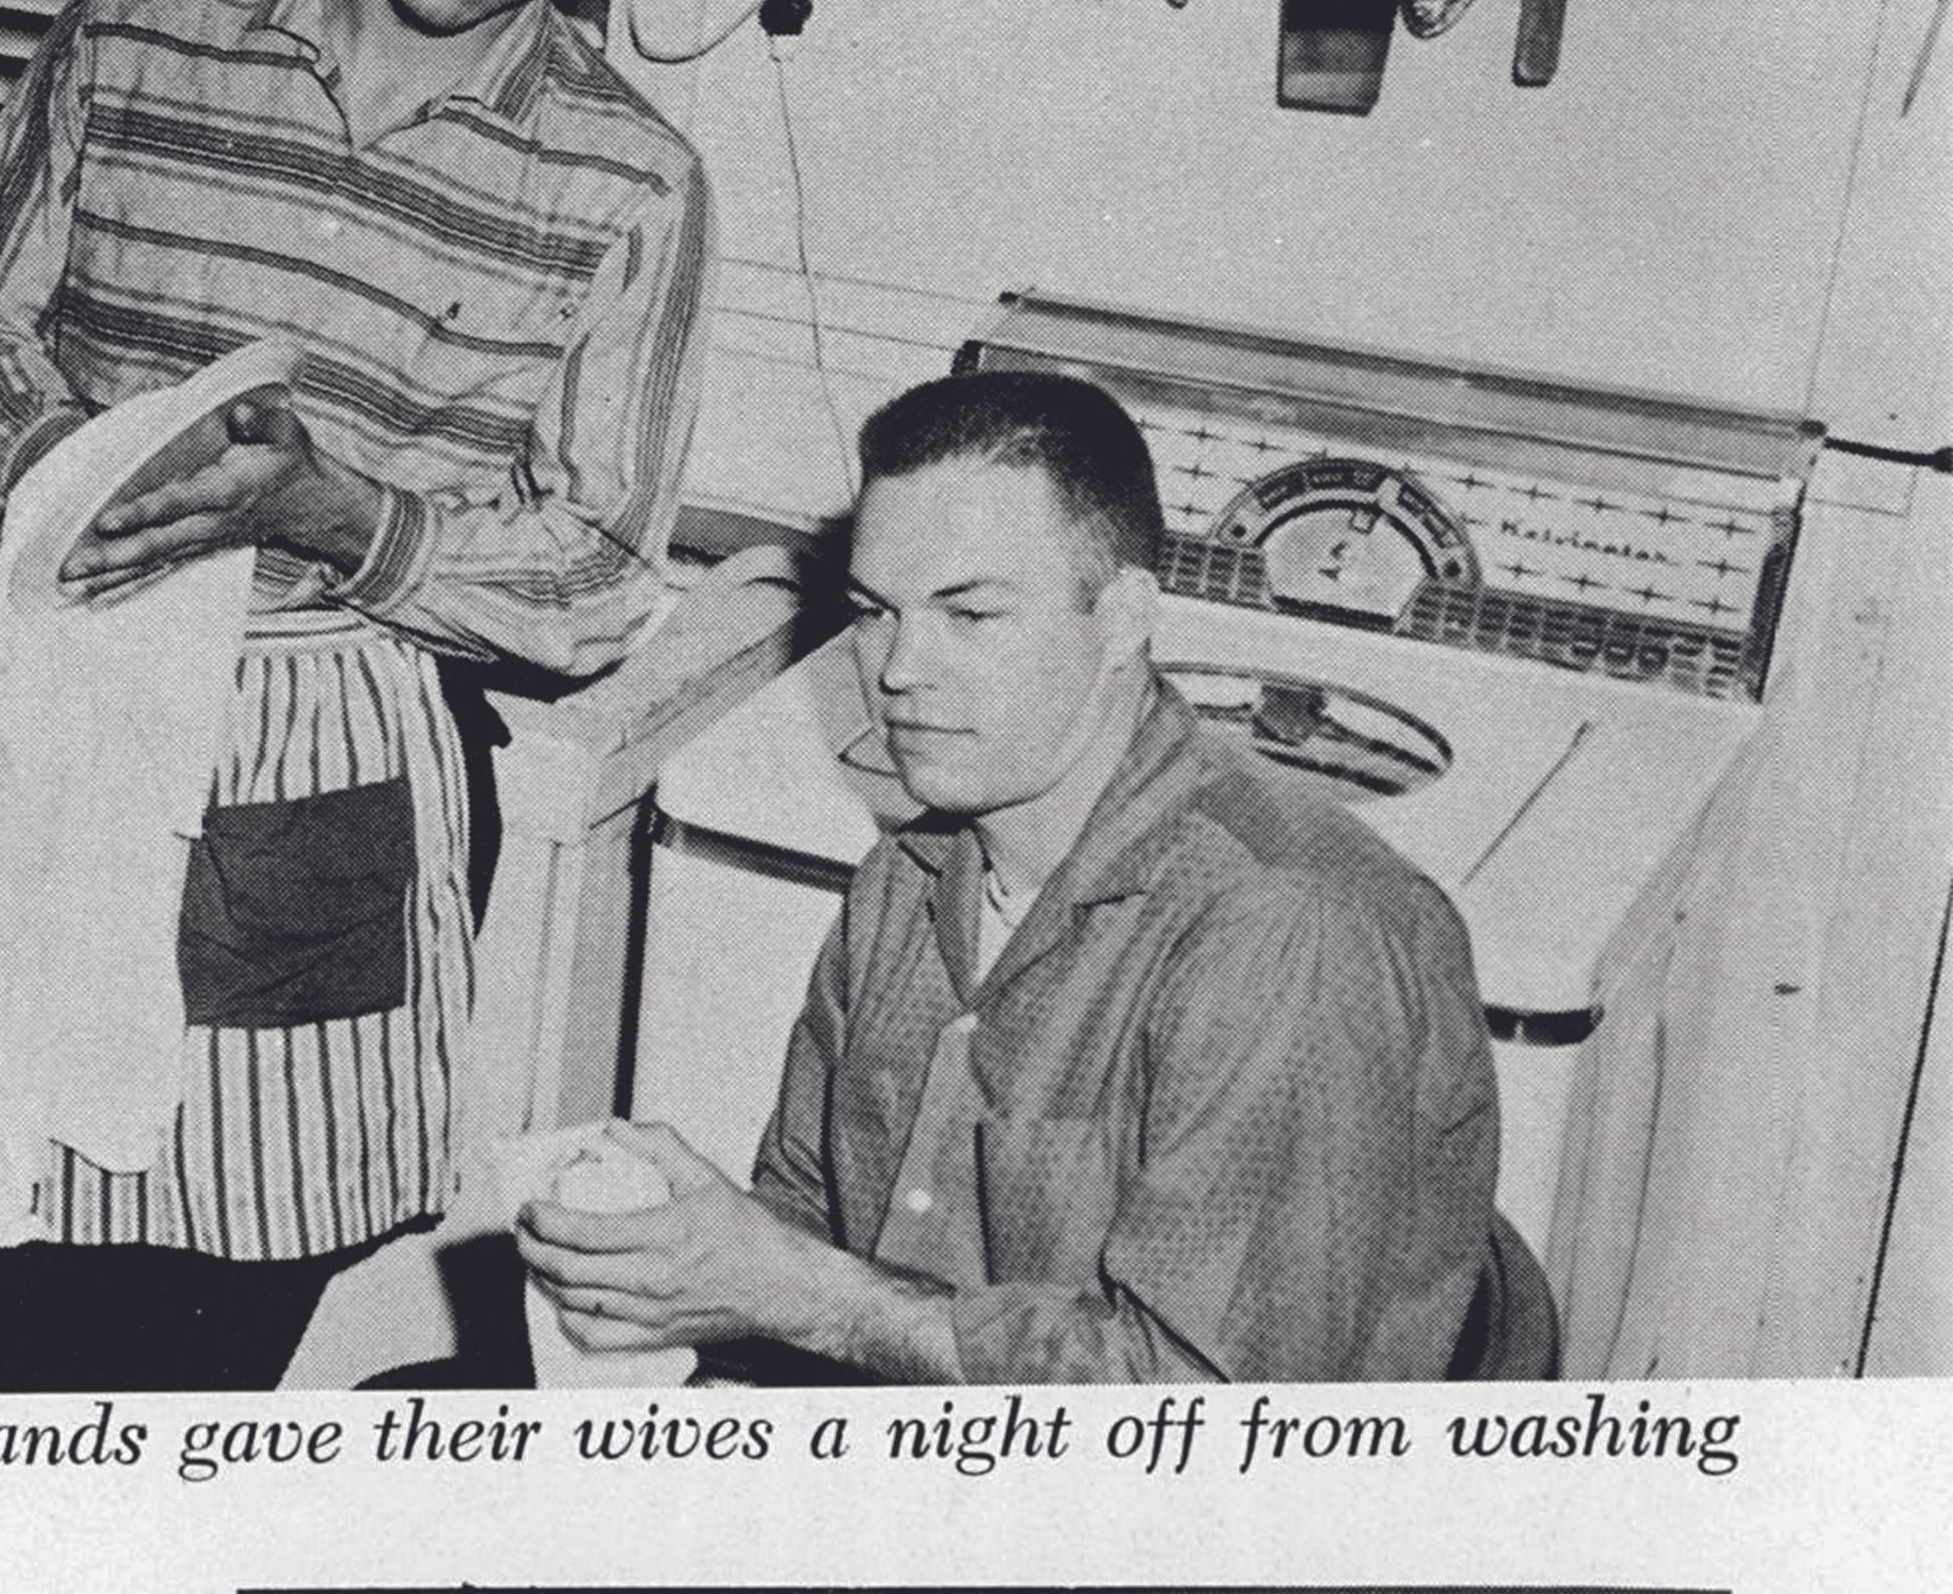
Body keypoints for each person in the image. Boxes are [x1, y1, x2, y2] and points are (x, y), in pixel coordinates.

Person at [0, 0, 718, 1389]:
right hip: (61, 700)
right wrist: (100, 464)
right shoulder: (138, 23)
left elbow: (599, 562)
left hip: (330, 760)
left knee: (180, 1389)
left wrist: (331, 510)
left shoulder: (628, 178)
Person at [515, 371, 1504, 1383]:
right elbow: (808, 1211)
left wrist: (799, 1294)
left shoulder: (1286, 931)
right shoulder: (910, 875)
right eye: (874, 612)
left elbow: (1201, 1409)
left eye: (971, 615)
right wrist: (698, 1270)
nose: (899, 670)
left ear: (1120, 617)